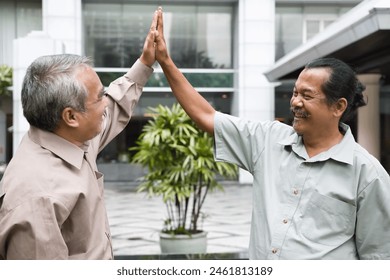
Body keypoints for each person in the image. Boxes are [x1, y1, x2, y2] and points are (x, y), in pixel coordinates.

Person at [152, 8, 390, 259]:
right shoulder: (268, 140)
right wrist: (165, 61)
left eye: (307, 95)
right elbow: (207, 116)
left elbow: (378, 257)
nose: (295, 102)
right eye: (295, 93)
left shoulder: (367, 173)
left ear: (338, 106)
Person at [0, 10, 160, 260]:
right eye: (99, 98)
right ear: (71, 116)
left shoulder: (69, 139)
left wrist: (145, 62)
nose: (105, 104)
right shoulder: (38, 199)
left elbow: (115, 104)